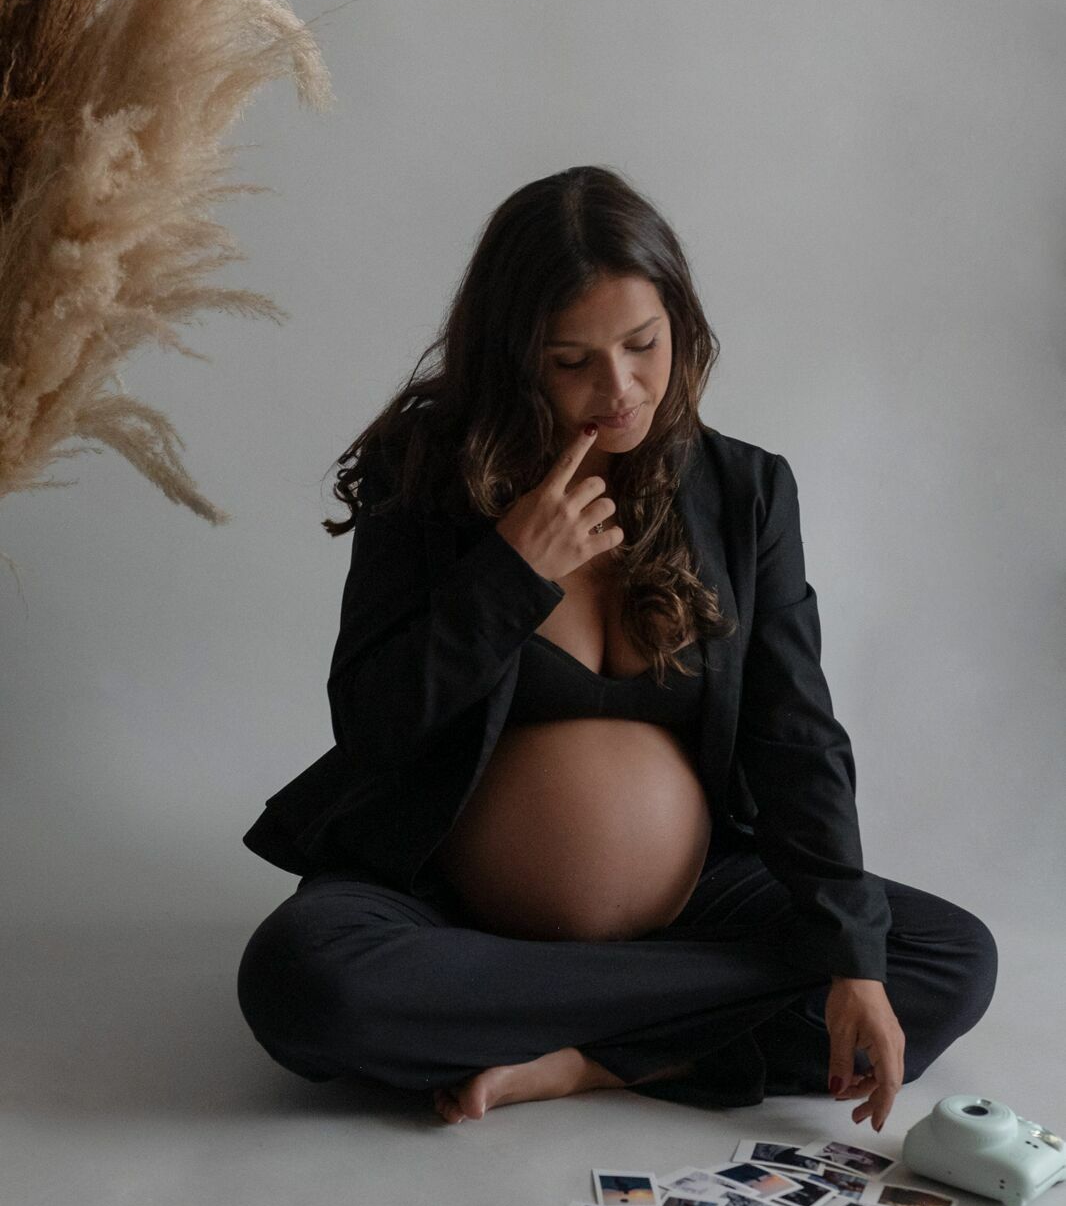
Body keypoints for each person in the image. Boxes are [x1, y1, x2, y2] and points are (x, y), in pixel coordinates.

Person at [237, 165, 998, 1131]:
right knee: (304, 980)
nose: (620, 390)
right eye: (571, 361)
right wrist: (508, 574)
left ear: (680, 321)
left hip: (698, 900)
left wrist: (852, 959)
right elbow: (371, 725)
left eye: (643, 345)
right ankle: (676, 1032)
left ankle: (585, 1061)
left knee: (946, 959)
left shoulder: (746, 493)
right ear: (515, 358)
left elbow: (795, 735)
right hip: (449, 907)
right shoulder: (423, 474)